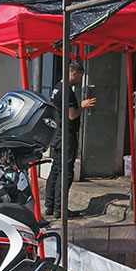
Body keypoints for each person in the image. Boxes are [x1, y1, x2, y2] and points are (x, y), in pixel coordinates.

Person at [44, 61, 96, 217]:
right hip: (66, 134)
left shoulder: (56, 88)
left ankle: (50, 205)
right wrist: (83, 106)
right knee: (65, 172)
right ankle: (59, 209)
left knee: (56, 169)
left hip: (57, 133)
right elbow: (72, 114)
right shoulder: (66, 91)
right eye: (80, 76)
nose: (80, 80)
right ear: (74, 73)